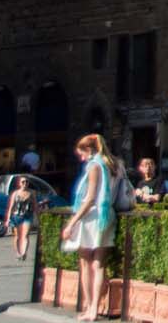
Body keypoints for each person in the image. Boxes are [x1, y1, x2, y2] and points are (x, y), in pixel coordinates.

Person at [61, 134, 120, 323]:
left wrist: (72, 222)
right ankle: (94, 307)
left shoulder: (94, 165)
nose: (81, 158)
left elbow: (90, 197)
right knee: (99, 264)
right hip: (107, 214)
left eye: (81, 154)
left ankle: (90, 307)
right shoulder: (111, 164)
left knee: (86, 262)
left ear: (88, 150)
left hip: (92, 217)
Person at [7, 175, 37, 260]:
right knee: (17, 236)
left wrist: (38, 216)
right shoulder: (15, 193)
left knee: (26, 235)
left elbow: (35, 205)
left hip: (28, 216)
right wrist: (8, 218)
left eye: (26, 182)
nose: (25, 183)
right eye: (23, 182)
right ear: (19, 183)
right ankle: (18, 252)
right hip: (16, 216)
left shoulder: (32, 193)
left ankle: (24, 253)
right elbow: (11, 206)